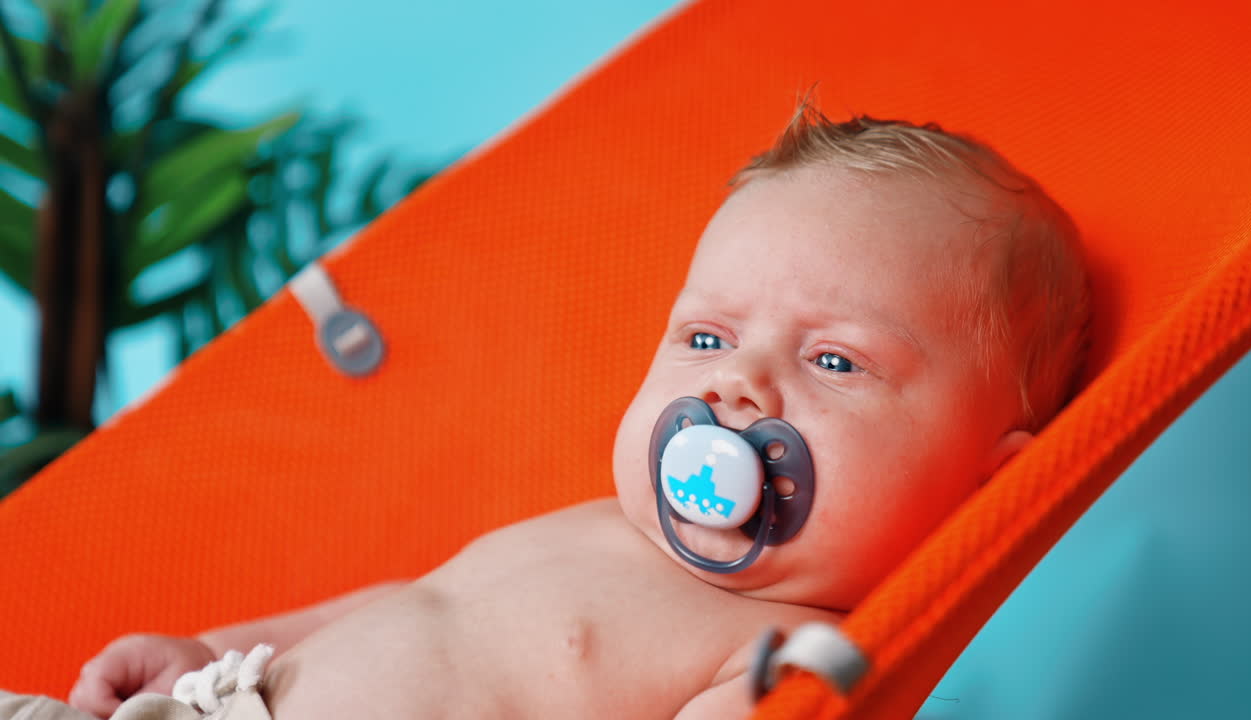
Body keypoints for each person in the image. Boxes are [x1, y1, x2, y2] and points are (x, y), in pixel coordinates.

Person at [5, 103, 1089, 719]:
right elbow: (409, 607)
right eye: (705, 339)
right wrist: (206, 647)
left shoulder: (786, 653)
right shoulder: (594, 528)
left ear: (990, 484)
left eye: (834, 361)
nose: (734, 388)